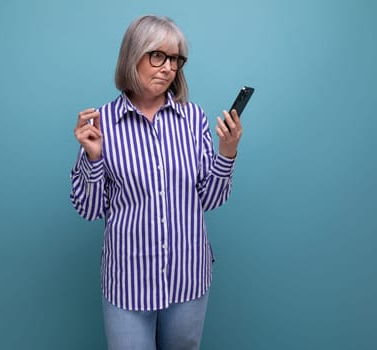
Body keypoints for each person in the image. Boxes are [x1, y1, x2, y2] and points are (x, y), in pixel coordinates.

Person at [70, 14, 243, 350]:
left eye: (175, 59)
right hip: (128, 281)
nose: (168, 68)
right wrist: (94, 158)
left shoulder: (192, 119)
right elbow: (89, 210)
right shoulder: (101, 122)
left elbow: (209, 199)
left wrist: (227, 152)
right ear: (133, 55)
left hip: (188, 276)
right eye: (158, 56)